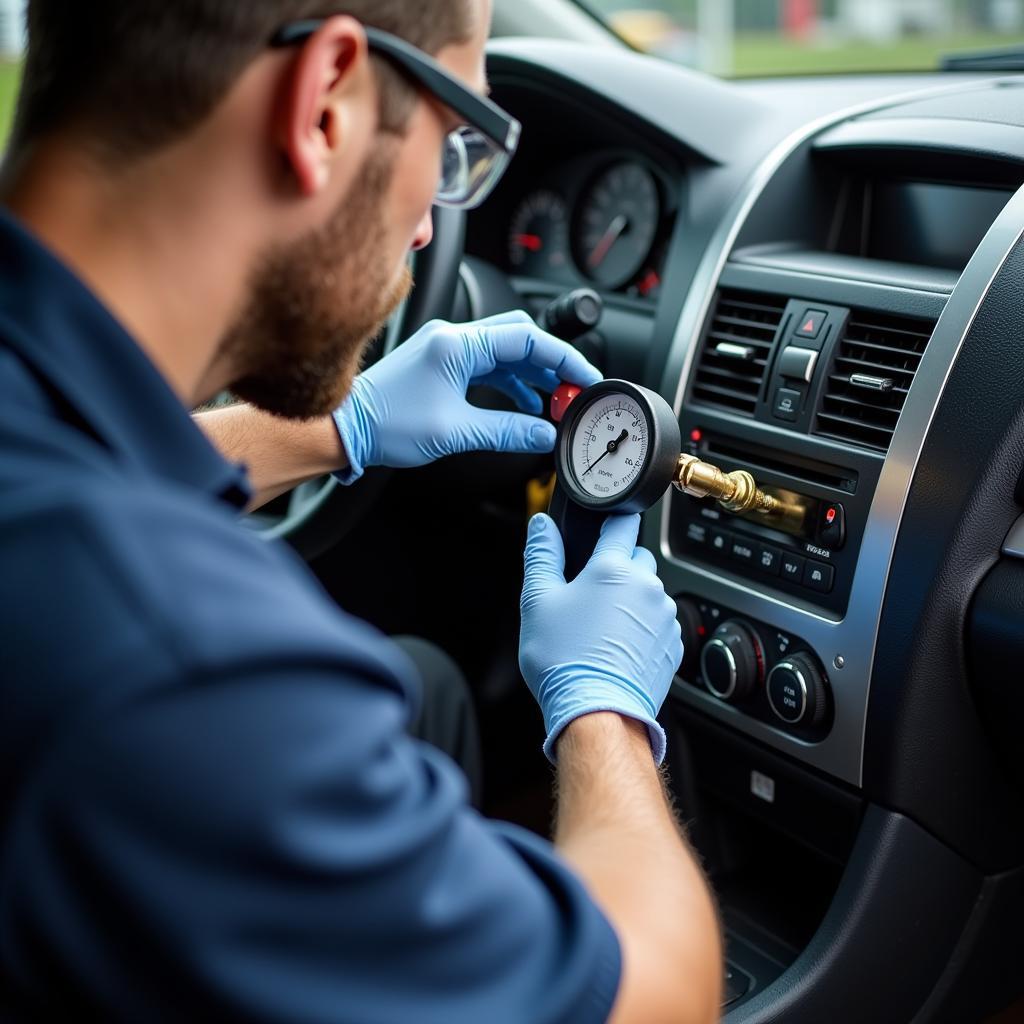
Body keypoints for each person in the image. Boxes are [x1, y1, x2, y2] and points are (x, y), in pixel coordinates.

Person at [0, 1, 722, 1021]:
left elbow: (74, 444)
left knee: (422, 689)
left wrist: (337, 429)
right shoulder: (179, 660)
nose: (432, 221)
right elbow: (660, 999)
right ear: (326, 102)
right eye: (453, 141)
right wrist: (602, 710)